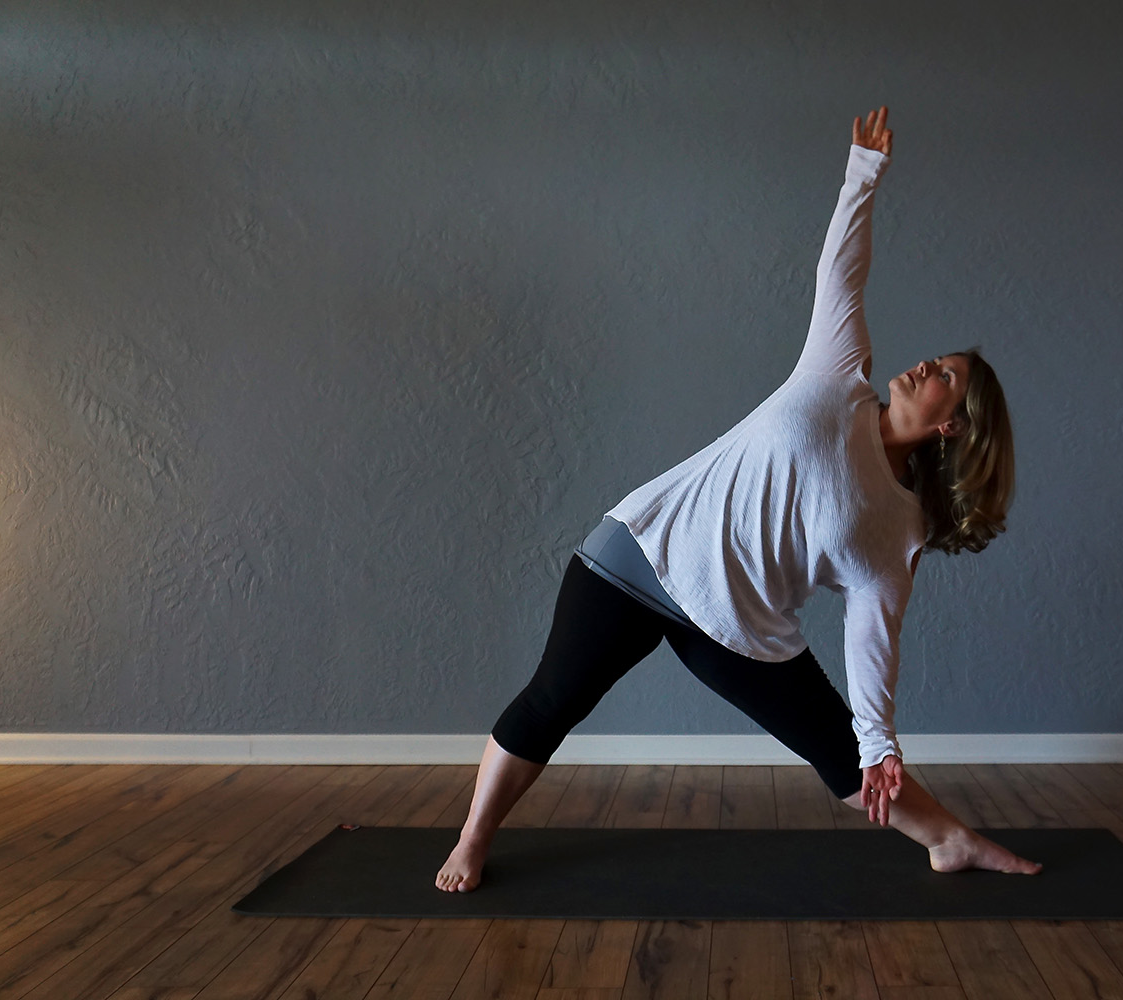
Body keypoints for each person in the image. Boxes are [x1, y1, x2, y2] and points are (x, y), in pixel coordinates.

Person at [436, 106, 1042, 893]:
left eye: (947, 376)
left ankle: (952, 840)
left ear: (953, 425)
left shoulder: (902, 527)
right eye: (938, 359)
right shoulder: (839, 374)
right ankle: (473, 838)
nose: (928, 365)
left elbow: (872, 641)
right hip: (642, 556)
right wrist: (863, 173)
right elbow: (841, 272)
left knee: (842, 751)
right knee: (552, 700)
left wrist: (879, 743)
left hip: (735, 622)